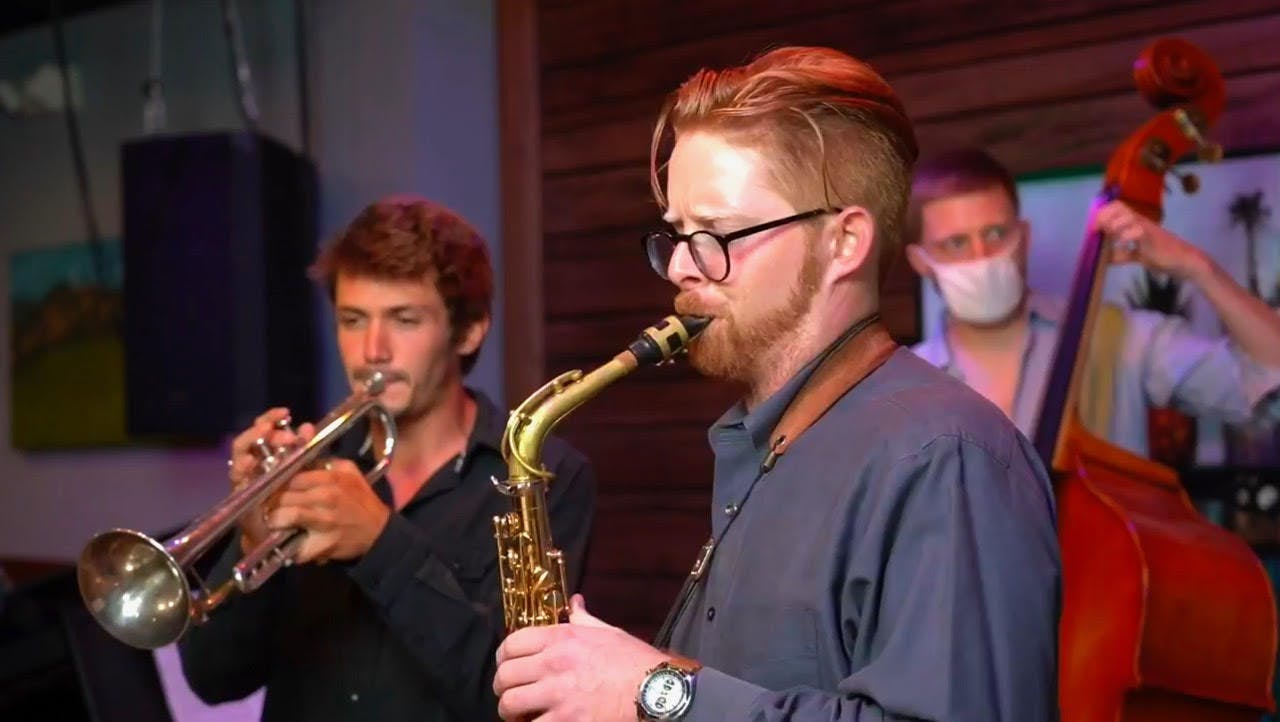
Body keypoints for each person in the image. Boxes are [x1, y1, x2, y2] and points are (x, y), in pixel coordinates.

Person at [492, 46, 1060, 721]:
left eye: (717, 232)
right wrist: (613, 676)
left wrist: (653, 693)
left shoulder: (948, 456)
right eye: (676, 233)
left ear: (844, 242)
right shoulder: (772, 440)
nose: (680, 266)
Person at [177, 196, 597, 722]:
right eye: (353, 320)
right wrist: (253, 536)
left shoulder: (545, 476)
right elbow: (213, 681)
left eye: (403, 319)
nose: (373, 350)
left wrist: (381, 544)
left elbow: (514, 705)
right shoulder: (310, 470)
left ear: (468, 330)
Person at [905, 147, 1280, 457]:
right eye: (956, 243)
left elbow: (1268, 375)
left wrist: (1198, 268)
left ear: (1024, 237)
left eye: (995, 233)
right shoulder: (903, 387)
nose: (982, 256)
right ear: (920, 261)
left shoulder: (1115, 336)